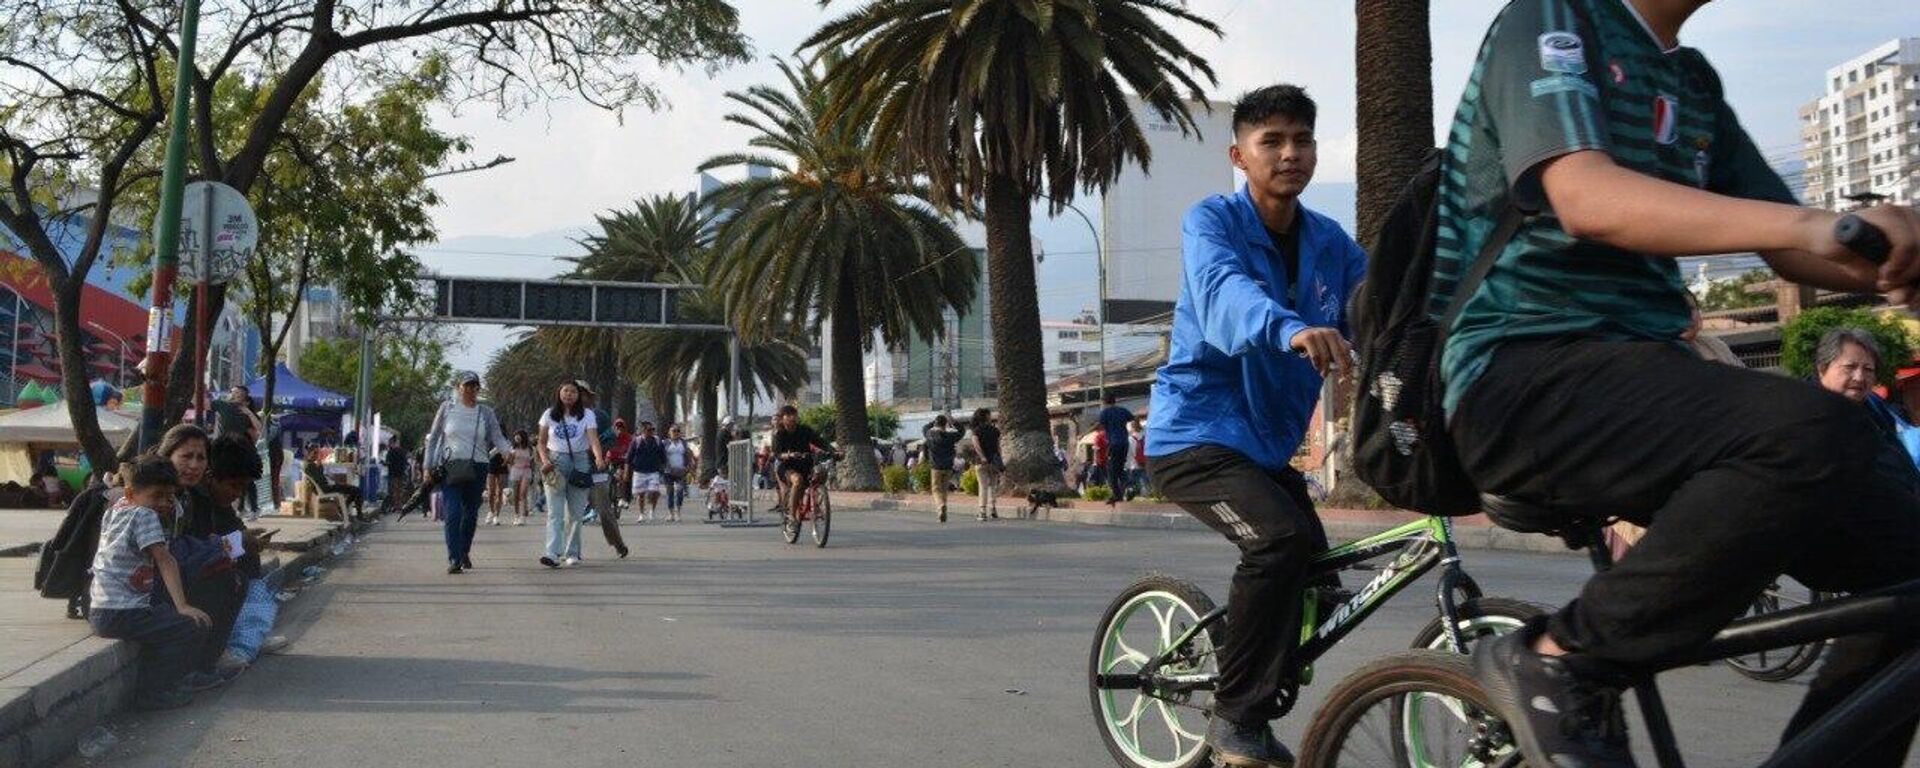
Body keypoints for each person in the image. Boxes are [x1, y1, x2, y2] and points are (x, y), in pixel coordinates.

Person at [1431, 2, 1920, 765]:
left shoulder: (1688, 79)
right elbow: (1587, 198)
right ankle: (1565, 658)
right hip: (1521, 376)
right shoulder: (1554, 18)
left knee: (1910, 568)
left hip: (1645, 379)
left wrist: (1896, 251)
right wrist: (1807, 229)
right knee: (1816, 423)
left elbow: (1804, 247)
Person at [1143, 83, 1366, 766]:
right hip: (1194, 437)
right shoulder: (1210, 222)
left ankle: (1250, 676)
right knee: (1279, 543)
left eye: (1301, 138)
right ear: (1240, 155)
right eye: (1272, 140)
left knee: (1320, 581)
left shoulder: (1330, 243)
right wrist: (1290, 328)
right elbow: (1223, 295)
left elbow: (1381, 308)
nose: (1289, 152)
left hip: (1265, 451)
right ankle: (1236, 720)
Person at [87, 456, 211, 711]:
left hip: (102, 611)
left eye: (169, 496)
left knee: (166, 618)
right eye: (157, 496)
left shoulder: (116, 508)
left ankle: (163, 683)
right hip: (124, 613)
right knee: (188, 626)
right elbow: (165, 560)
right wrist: (183, 605)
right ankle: (154, 691)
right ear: (132, 493)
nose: (165, 503)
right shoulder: (144, 515)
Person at [423, 371, 511, 574]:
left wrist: (507, 451)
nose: (471, 389)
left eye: (474, 386)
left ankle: (464, 551)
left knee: (470, 514)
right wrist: (427, 466)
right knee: (453, 513)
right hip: (450, 466)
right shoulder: (447, 408)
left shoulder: (485, 412)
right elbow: (434, 438)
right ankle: (454, 558)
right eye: (467, 385)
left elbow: (497, 436)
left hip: (478, 466)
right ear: (458, 387)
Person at [537, 379, 605, 568]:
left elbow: (593, 440)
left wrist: (598, 458)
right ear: (559, 393)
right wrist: (545, 461)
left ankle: (572, 552)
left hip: (580, 462)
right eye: (566, 391)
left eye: (573, 392)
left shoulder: (587, 415)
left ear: (579, 396)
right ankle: (552, 553)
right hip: (555, 463)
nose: (569, 394)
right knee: (554, 511)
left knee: (575, 512)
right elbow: (541, 442)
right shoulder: (549, 414)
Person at [770, 405, 833, 527]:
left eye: (794, 414)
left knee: (822, 472)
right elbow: (777, 454)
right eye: (788, 415)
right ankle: (792, 516)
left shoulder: (805, 430)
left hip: (806, 464)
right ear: (782, 419)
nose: (792, 417)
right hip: (787, 467)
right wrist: (789, 455)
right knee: (798, 480)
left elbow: (821, 442)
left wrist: (834, 451)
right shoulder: (779, 434)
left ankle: (816, 502)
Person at [922, 415, 965, 522]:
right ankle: (942, 510)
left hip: (935, 466)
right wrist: (953, 422)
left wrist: (934, 422)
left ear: (936, 423)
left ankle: (940, 506)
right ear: (945, 424)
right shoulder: (950, 436)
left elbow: (924, 428)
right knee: (944, 489)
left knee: (936, 489)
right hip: (948, 466)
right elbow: (962, 431)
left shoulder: (930, 434)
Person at [1094, 394, 1132, 507]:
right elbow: (1133, 418)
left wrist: (1084, 433)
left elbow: (1099, 424)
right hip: (1124, 443)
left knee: (1111, 471)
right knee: (1120, 468)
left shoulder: (1105, 412)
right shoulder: (1123, 410)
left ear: (1105, 402)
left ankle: (1117, 495)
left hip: (1114, 444)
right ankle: (1129, 487)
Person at [627, 422, 666, 522]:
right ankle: (641, 514)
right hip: (639, 471)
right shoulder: (636, 441)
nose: (651, 432)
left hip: (653, 471)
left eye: (653, 430)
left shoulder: (657, 441)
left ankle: (652, 511)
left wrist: (663, 467)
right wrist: (627, 472)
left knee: (654, 491)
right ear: (643, 431)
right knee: (640, 494)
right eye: (649, 430)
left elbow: (663, 456)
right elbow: (629, 458)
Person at [968, 408, 1003, 520]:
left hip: (981, 462)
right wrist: (999, 460)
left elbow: (976, 445)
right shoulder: (995, 430)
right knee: (993, 485)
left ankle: (982, 511)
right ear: (987, 417)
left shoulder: (976, 431)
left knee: (983, 486)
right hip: (994, 460)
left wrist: (983, 457)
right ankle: (993, 509)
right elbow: (998, 447)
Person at [662, 424, 696, 523]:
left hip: (681, 471)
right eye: (674, 431)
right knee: (670, 492)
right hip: (668, 471)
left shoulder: (683, 443)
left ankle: (678, 512)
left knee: (680, 491)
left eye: (677, 431)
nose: (676, 433)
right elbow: (661, 456)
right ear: (669, 433)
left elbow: (689, 454)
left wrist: (689, 466)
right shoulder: (665, 443)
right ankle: (671, 513)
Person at [506, 430, 535, 526]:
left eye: (518, 436)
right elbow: (508, 461)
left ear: (523, 437)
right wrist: (509, 457)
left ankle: (522, 517)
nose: (517, 438)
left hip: (526, 471)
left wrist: (533, 473)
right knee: (516, 495)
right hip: (515, 470)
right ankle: (516, 515)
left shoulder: (529, 449)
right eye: (515, 436)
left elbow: (532, 462)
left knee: (523, 493)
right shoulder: (512, 448)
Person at [608, 418, 633, 507]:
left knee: (622, 477)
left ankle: (624, 498)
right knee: (608, 477)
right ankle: (609, 497)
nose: (619, 429)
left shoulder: (629, 438)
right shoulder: (610, 437)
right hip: (612, 460)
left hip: (623, 462)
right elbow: (606, 447)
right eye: (617, 427)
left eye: (621, 427)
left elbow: (631, 450)